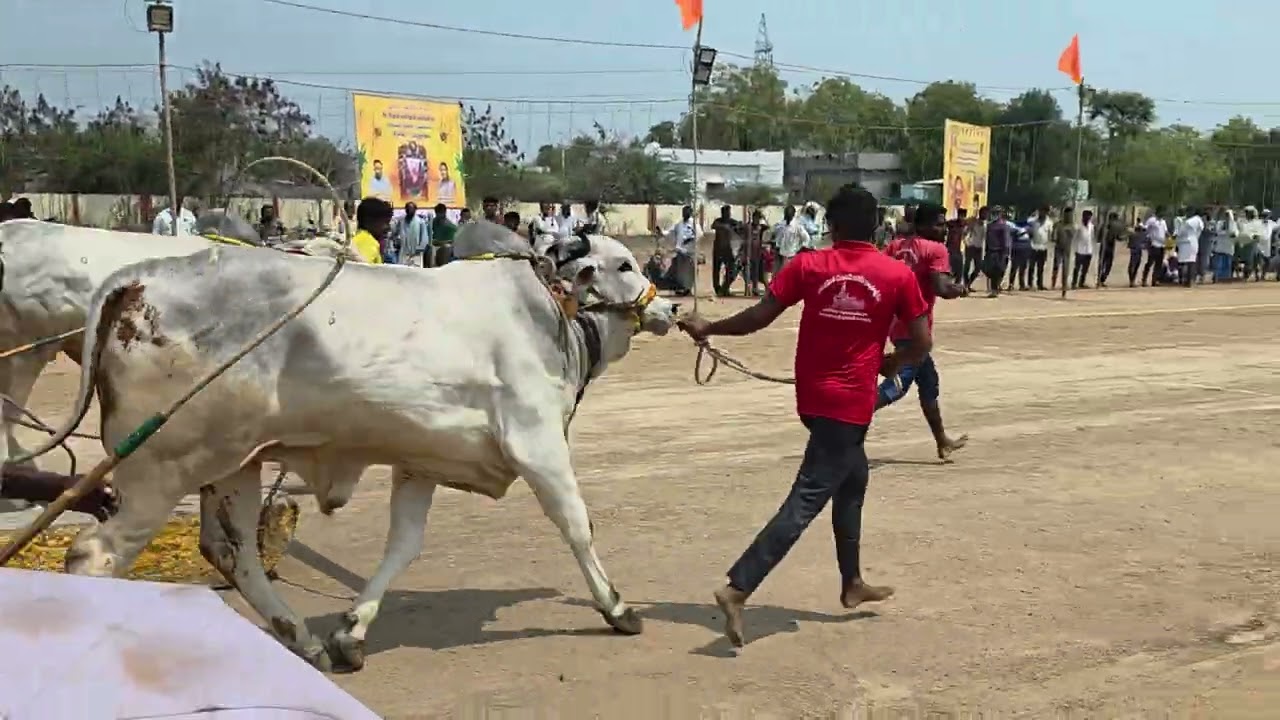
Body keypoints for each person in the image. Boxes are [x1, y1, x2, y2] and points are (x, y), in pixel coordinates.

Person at [676, 184, 931, 648]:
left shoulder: (809, 266)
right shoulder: (895, 275)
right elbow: (921, 340)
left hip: (813, 401)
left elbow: (757, 317)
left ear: (831, 226)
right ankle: (738, 589)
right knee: (807, 499)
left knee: (854, 478)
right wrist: (895, 362)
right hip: (850, 406)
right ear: (876, 226)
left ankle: (852, 583)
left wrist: (709, 326)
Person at [880, 202, 968, 460]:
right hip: (915, 331)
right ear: (922, 225)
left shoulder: (895, 246)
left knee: (928, 383)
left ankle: (942, 441)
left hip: (895, 325)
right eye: (938, 224)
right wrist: (958, 289)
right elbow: (941, 287)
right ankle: (847, 426)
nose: (942, 229)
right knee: (897, 386)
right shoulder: (936, 249)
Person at [661, 205, 700, 297]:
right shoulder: (679, 224)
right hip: (680, 251)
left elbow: (699, 235)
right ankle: (681, 288)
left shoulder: (694, 224)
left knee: (690, 271)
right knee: (680, 271)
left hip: (690, 251)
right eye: (683, 212)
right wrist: (662, 233)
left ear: (690, 213)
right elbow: (670, 233)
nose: (684, 214)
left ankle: (688, 289)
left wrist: (690, 239)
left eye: (687, 212)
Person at [710, 205, 741, 297]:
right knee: (716, 270)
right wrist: (726, 227)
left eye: (728, 212)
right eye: (725, 212)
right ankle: (717, 288)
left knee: (731, 269)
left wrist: (737, 227)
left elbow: (740, 227)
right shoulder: (718, 221)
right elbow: (713, 225)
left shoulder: (732, 222)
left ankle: (725, 287)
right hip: (717, 249)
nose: (727, 214)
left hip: (727, 249)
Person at [770, 205, 811, 274]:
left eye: (789, 213)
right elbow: (773, 233)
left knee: (785, 275)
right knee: (776, 276)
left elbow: (806, 238)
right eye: (786, 213)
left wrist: (800, 249)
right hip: (779, 254)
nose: (787, 215)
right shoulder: (781, 225)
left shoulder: (797, 226)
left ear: (793, 214)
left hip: (790, 256)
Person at [982, 207, 1011, 297]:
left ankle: (995, 289)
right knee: (989, 270)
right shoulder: (990, 226)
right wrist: (986, 251)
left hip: (1000, 252)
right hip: (991, 251)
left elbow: (1006, 240)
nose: (995, 215)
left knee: (999, 270)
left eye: (997, 213)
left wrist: (1006, 253)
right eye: (994, 213)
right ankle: (995, 288)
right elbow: (987, 239)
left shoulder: (1004, 226)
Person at [351, 197, 390, 264]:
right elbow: (365, 270)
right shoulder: (369, 242)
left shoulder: (358, 238)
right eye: (385, 222)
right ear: (368, 221)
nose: (388, 227)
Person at [392, 202, 429, 266]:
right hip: (403, 253)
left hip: (416, 253)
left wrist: (419, 249)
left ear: (415, 209)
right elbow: (395, 234)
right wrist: (396, 242)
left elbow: (424, 239)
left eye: (411, 209)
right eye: (407, 209)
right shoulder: (401, 221)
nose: (409, 210)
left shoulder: (420, 222)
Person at [1174, 206, 1203, 287]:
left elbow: (1184, 229)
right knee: (1182, 262)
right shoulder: (1182, 220)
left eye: (1190, 211)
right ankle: (1183, 280)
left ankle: (1190, 280)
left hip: (1190, 242)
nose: (1188, 213)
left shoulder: (1195, 220)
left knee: (1191, 261)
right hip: (1183, 243)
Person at [741, 209, 768, 296]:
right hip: (749, 253)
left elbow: (769, 228)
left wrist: (764, 217)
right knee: (748, 272)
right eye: (755, 218)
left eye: (758, 218)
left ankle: (755, 288)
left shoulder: (761, 227)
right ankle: (749, 288)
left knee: (757, 272)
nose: (756, 220)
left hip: (757, 253)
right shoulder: (748, 227)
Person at [1026, 206, 1053, 291]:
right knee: (1031, 267)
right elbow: (1029, 231)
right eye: (1042, 211)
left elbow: (1050, 236)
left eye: (1045, 212)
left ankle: (1040, 284)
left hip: (1043, 247)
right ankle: (1030, 284)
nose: (1043, 213)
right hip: (1033, 246)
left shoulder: (1049, 223)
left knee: (1040, 268)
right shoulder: (1032, 221)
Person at [962, 206, 988, 290]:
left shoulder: (986, 224)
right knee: (967, 266)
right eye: (984, 213)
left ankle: (968, 284)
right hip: (971, 246)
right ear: (980, 213)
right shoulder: (973, 222)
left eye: (987, 213)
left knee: (978, 268)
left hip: (979, 248)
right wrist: (966, 242)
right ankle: (966, 285)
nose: (986, 215)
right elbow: (965, 232)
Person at [1096, 212, 1124, 287]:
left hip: (1105, 245)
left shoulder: (1104, 226)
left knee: (1102, 263)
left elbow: (1098, 238)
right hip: (1109, 246)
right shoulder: (1113, 226)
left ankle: (1100, 279)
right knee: (1107, 264)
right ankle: (1101, 279)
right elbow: (1119, 238)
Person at [1142, 208, 1168, 286]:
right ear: (1158, 212)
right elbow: (1145, 228)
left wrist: (1170, 238)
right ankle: (1144, 280)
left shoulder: (1163, 221)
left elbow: (1165, 231)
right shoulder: (1152, 220)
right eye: (1162, 213)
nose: (1163, 214)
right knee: (1150, 262)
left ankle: (1155, 280)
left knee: (1159, 263)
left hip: (1162, 245)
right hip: (1153, 244)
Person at [1051, 207, 1076, 290]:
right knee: (1056, 266)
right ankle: (1053, 284)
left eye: (1071, 215)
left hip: (1067, 249)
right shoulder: (1058, 225)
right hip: (1058, 248)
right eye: (1068, 215)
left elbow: (1074, 237)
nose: (1069, 217)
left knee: (1066, 267)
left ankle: (1064, 284)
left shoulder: (1072, 226)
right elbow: (1053, 238)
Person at [1071, 210, 1095, 289]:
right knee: (1077, 268)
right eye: (1086, 216)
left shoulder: (1091, 226)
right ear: (1083, 217)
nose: (1088, 218)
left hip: (1088, 250)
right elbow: (1074, 238)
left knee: (1085, 269)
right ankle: (1074, 283)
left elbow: (1092, 237)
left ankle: (1081, 283)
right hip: (1079, 250)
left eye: (1089, 217)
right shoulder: (1078, 226)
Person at [944, 209, 966, 280]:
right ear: (958, 215)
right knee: (949, 271)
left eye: (963, 216)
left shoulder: (964, 225)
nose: (961, 217)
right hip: (950, 250)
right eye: (960, 215)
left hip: (958, 251)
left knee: (959, 272)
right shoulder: (952, 224)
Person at [1126, 220, 1147, 287]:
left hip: (1134, 251)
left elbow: (1129, 245)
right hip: (1137, 251)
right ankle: (1132, 281)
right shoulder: (1141, 236)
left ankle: (1132, 281)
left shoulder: (1132, 235)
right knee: (1135, 266)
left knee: (1133, 266)